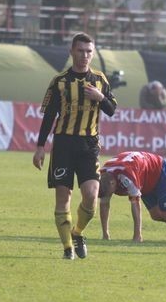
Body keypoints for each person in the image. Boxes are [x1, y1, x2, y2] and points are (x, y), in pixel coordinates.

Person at [33, 32, 117, 260]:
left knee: (91, 195)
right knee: (64, 196)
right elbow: (49, 116)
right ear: (71, 52)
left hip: (89, 145)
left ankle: (77, 232)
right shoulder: (59, 82)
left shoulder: (100, 79)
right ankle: (68, 248)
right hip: (63, 144)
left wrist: (100, 97)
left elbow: (111, 109)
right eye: (80, 50)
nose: (85, 55)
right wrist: (40, 146)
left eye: (89, 51)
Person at [98, 151, 166, 242]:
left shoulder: (127, 176)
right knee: (156, 215)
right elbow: (104, 203)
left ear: (113, 183)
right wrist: (105, 235)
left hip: (159, 170)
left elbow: (135, 204)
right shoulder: (102, 175)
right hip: (143, 177)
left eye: (111, 193)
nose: (110, 196)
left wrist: (137, 236)